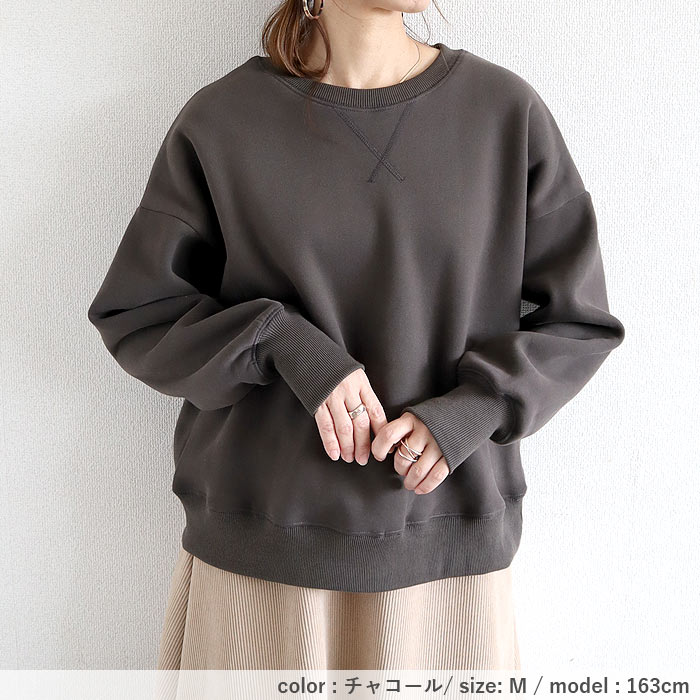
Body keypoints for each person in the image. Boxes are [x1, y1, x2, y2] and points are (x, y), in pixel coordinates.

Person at [87, 0, 625, 671]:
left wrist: (477, 406)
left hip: (446, 563)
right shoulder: (224, 120)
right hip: (264, 561)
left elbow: (577, 320)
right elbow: (139, 313)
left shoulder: (503, 114)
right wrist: (281, 341)